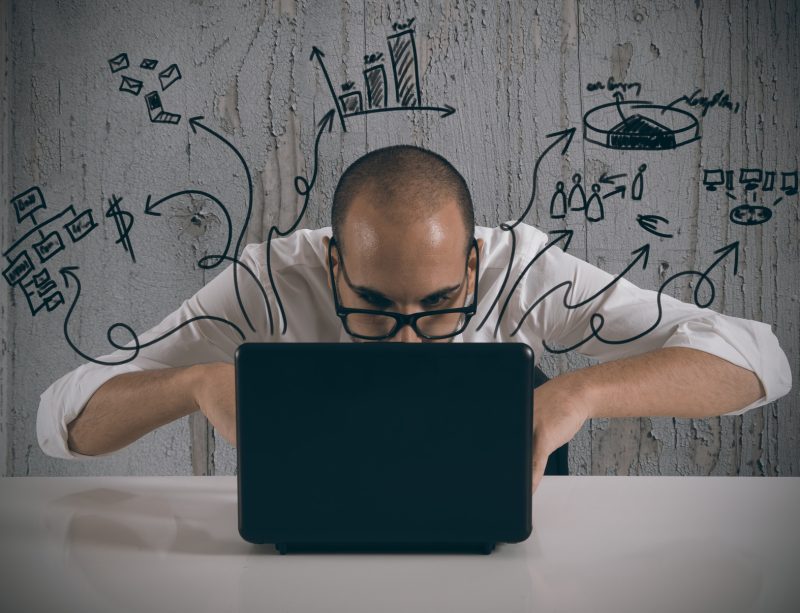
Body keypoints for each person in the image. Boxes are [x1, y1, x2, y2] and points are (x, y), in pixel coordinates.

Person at [37, 145, 792, 492]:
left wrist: (577, 394)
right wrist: (198, 385)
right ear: (331, 265)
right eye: (373, 307)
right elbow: (59, 420)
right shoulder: (269, 280)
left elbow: (758, 358)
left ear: (473, 263)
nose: (404, 341)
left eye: (436, 308)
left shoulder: (519, 269)